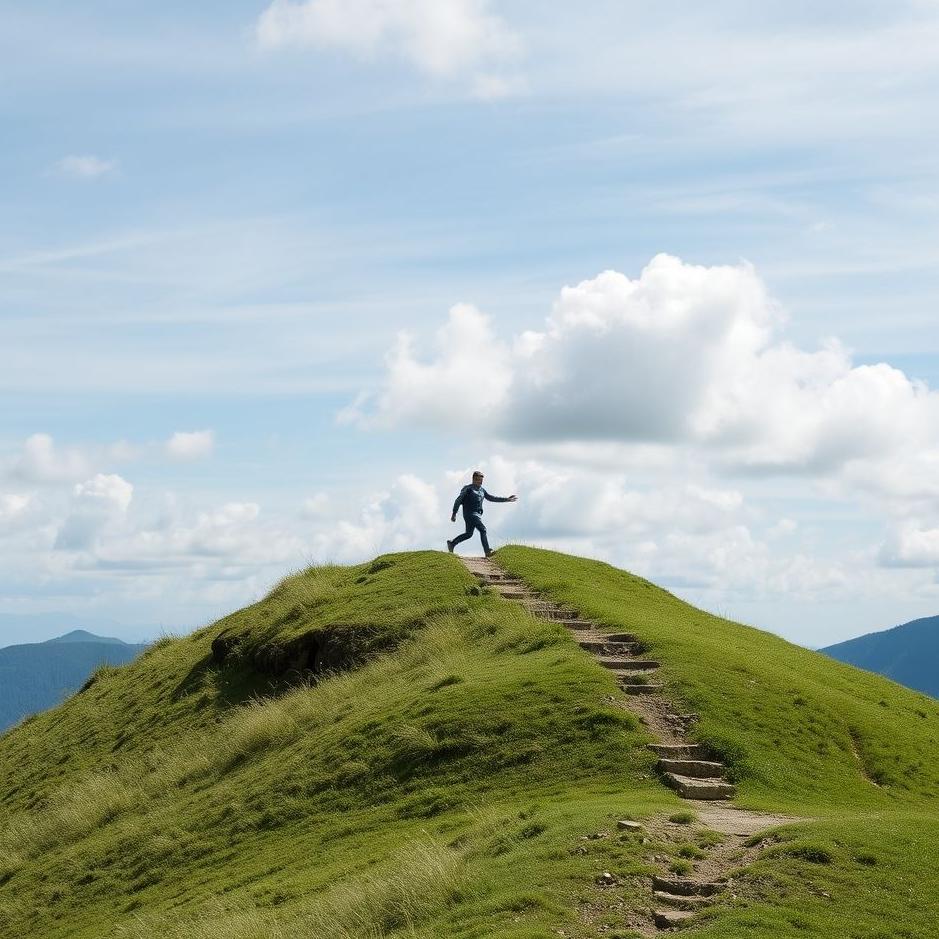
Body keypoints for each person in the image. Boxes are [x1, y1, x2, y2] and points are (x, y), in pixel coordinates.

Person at [447, 471, 518, 557]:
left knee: (469, 534)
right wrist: (454, 513)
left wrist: (506, 499)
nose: (480, 482)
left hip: (477, 515)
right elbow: (458, 500)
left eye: (481, 480)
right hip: (469, 514)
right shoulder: (468, 488)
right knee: (483, 529)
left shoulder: (482, 490)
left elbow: (492, 498)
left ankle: (452, 543)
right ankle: (487, 551)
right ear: (473, 479)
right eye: (478, 480)